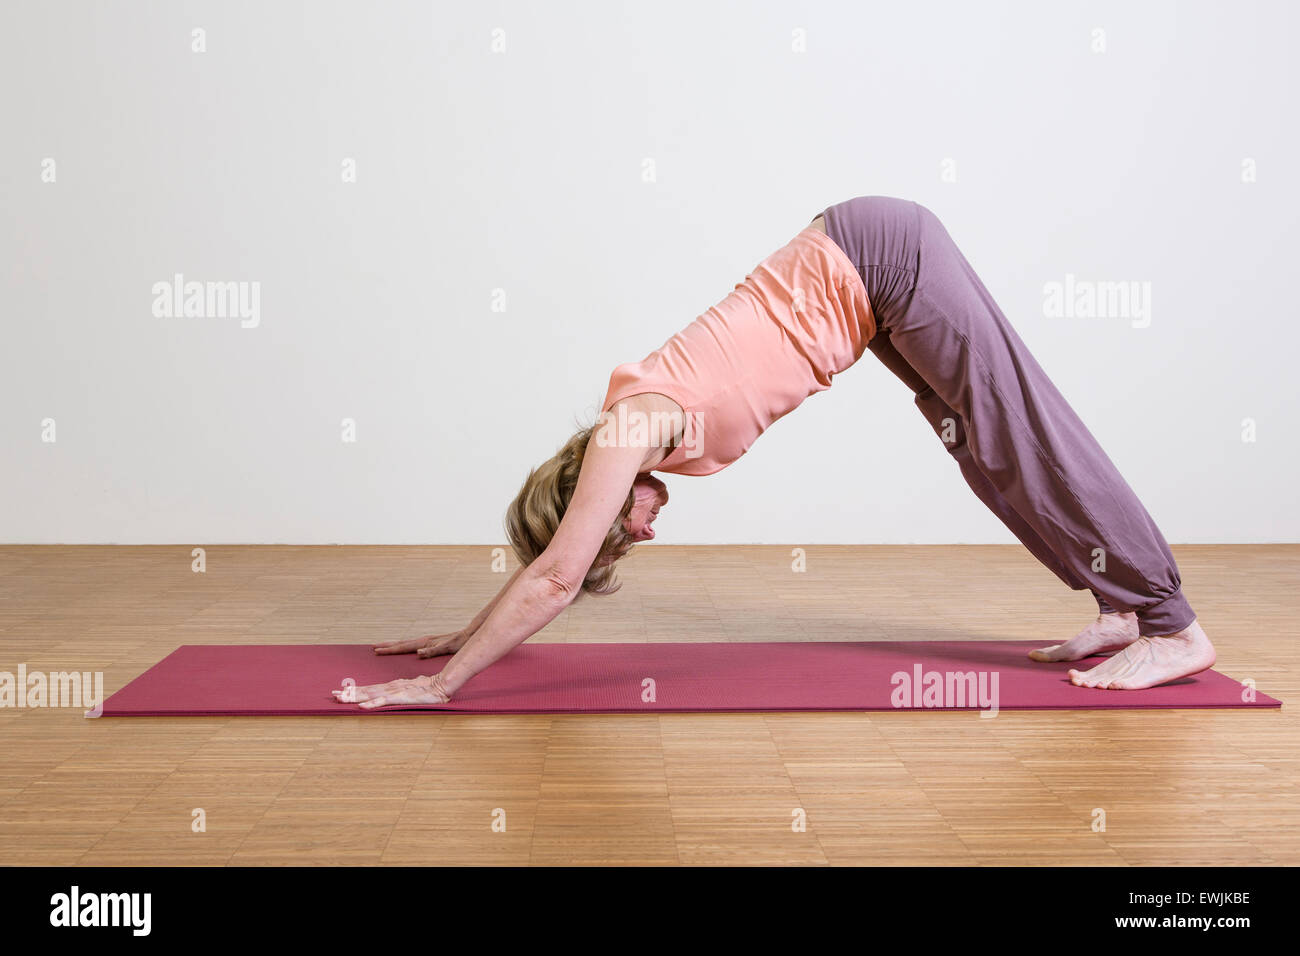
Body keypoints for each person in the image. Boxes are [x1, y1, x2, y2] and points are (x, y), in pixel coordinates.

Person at [333, 196, 1214, 709]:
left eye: (619, 532)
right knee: (983, 451)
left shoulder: (627, 432)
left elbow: (557, 576)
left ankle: (1173, 627)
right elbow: (557, 561)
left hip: (883, 257)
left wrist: (443, 684)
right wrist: (469, 631)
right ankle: (1122, 603)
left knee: (1023, 434)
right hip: (873, 288)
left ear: (587, 500)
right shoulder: (628, 432)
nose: (639, 536)